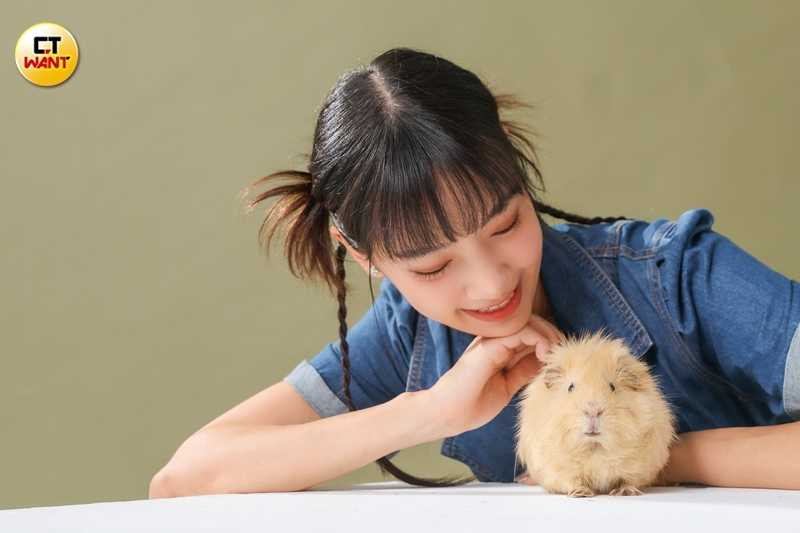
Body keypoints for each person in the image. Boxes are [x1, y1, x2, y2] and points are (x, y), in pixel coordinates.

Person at [149, 47, 800, 497]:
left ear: (519, 173)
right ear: (363, 253)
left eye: (506, 224)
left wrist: (654, 458)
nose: (491, 284)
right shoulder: (409, 337)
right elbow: (186, 478)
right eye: (433, 265)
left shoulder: (676, 274)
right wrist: (428, 411)